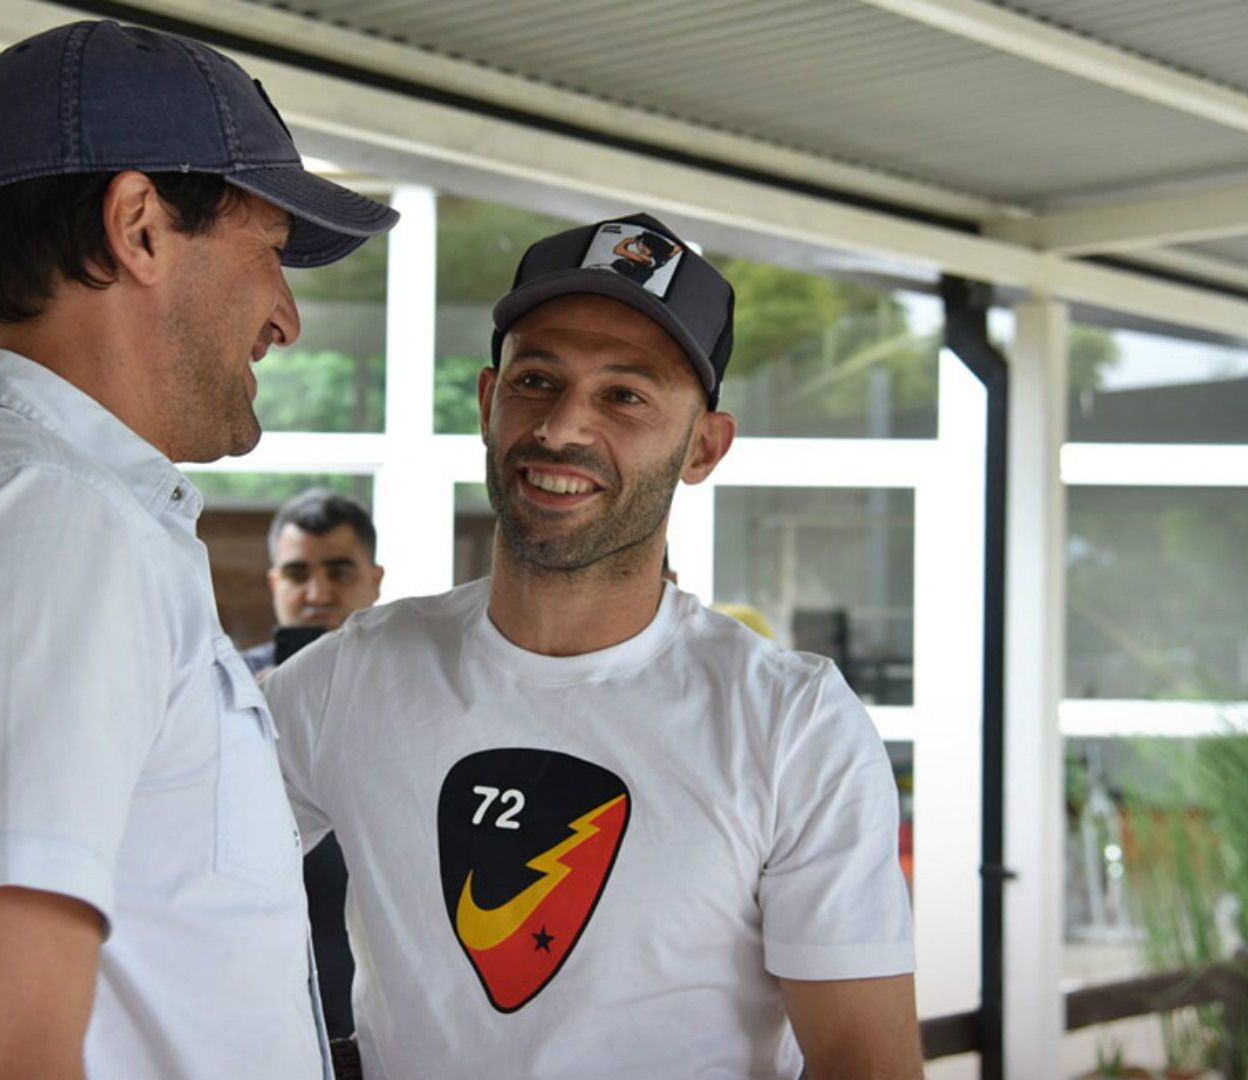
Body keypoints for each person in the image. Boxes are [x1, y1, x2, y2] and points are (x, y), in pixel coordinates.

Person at [0, 20, 396, 1079]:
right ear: (141, 228)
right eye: (268, 250)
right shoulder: (36, 524)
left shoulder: (20, 504)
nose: (286, 316)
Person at [264, 213, 921, 1079]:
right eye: (538, 378)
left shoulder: (789, 720)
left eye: (626, 395)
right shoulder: (353, 676)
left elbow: (861, 1059)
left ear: (704, 448)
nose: (564, 426)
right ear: (488, 403)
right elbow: (165, 881)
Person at [242, 487, 385, 676]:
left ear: (375, 581)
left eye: (340, 574)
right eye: (297, 575)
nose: (318, 595)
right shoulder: (230, 683)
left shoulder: (411, 676)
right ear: (275, 584)